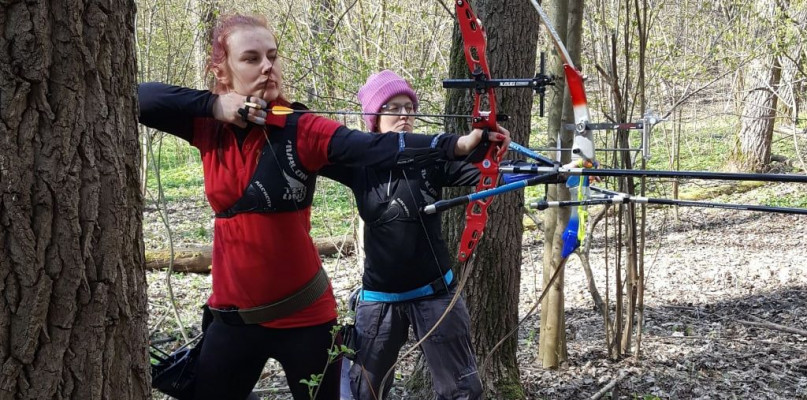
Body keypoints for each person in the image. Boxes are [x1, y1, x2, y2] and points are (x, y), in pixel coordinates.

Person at [137, 14, 509, 400]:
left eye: (272, 56)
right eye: (250, 58)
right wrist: (214, 105)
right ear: (221, 70)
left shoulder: (302, 127)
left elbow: (371, 146)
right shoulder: (206, 126)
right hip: (234, 319)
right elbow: (140, 98)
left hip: (306, 319)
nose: (267, 67)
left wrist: (458, 145)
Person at [320, 70, 486, 400]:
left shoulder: (432, 154)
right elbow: (312, 147)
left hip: (435, 292)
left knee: (463, 391)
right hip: (379, 297)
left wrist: (493, 150)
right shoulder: (358, 162)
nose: (404, 115)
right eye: (393, 108)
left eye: (409, 108)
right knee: (365, 391)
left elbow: (485, 171)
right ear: (374, 117)